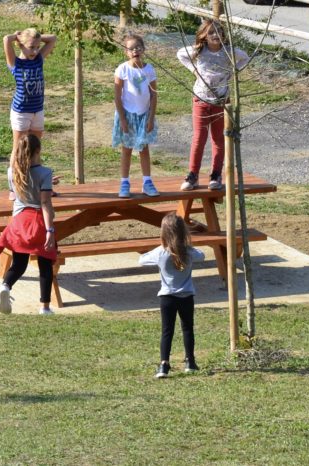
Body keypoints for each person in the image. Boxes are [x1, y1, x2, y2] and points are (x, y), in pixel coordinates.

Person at [176, 20, 249, 191]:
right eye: (211, 32)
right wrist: (193, 70)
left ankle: (216, 175)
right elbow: (180, 55)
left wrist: (233, 71)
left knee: (218, 139)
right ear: (203, 36)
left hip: (221, 102)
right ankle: (192, 175)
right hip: (201, 101)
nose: (216, 35)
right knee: (199, 138)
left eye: (219, 32)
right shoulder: (199, 51)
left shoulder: (227, 52)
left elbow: (245, 57)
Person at [0, 134, 57, 316]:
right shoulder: (45, 172)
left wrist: (47, 186)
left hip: (19, 222)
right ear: (38, 151)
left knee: (19, 264)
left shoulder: (11, 172)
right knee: (45, 264)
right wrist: (49, 230)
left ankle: (5, 286)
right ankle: (45, 307)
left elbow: (15, 195)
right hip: (37, 222)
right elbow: (44, 203)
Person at [139, 213, 205, 378]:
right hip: (187, 296)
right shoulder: (189, 252)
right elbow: (202, 255)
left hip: (167, 298)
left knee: (167, 331)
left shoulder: (161, 253)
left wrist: (159, 247)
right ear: (184, 232)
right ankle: (190, 361)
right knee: (187, 328)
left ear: (164, 233)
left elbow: (142, 259)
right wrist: (186, 245)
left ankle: (164, 365)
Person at [112, 33, 160, 199]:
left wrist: (151, 117)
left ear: (143, 49)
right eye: (131, 49)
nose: (135, 51)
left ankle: (147, 182)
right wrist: (123, 119)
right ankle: (124, 183)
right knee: (126, 149)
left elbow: (153, 95)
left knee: (144, 149)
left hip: (144, 116)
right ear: (126, 52)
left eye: (138, 48)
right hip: (128, 115)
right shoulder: (122, 69)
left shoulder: (149, 70)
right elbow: (117, 96)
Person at [3, 28, 57, 155]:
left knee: (35, 148)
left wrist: (36, 38)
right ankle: (15, 175)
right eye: (31, 47)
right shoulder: (15, 63)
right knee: (19, 149)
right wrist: (18, 36)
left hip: (38, 110)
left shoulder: (38, 59)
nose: (35, 51)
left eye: (38, 47)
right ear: (21, 45)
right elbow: (6, 39)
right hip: (22, 112)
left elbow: (52, 39)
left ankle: (33, 174)